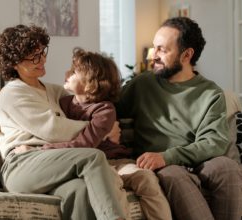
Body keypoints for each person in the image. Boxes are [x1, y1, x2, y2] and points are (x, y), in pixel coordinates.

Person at [0, 24, 129, 220]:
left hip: (54, 163)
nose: (42, 59)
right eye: (33, 56)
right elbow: (53, 129)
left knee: (80, 190)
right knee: (92, 157)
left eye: (42, 52)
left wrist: (106, 123)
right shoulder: (13, 92)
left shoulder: (56, 91)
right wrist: (101, 130)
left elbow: (88, 107)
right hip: (21, 165)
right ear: (14, 62)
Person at [115, 17, 242, 220]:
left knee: (227, 167)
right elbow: (106, 108)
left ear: (186, 55)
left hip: (198, 161)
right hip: (164, 167)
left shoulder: (210, 93)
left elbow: (214, 142)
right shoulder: (142, 84)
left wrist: (167, 156)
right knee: (174, 174)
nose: (153, 56)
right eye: (154, 48)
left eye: (162, 50)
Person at [41, 48, 172, 220]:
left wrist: (46, 149)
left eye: (74, 72)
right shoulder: (62, 104)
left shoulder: (105, 109)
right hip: (94, 168)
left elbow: (85, 144)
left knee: (146, 178)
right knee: (111, 182)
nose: (67, 73)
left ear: (91, 82)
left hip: (117, 161)